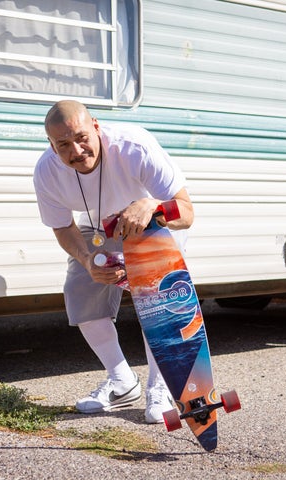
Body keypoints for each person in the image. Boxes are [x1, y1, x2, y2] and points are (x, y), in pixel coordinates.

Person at [33, 100, 194, 423]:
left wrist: (151, 206)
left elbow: (186, 212)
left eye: (81, 137)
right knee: (81, 291)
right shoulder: (47, 171)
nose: (76, 151)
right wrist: (88, 259)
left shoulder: (133, 146)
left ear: (96, 126)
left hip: (152, 224)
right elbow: (63, 227)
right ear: (51, 145)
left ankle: (159, 386)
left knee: (155, 301)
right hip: (98, 227)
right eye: (63, 144)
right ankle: (122, 381)